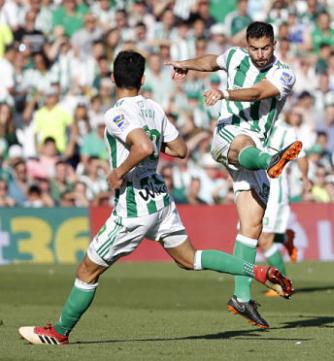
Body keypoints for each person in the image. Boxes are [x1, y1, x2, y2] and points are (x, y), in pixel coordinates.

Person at [18, 50, 293, 345]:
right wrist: (150, 148)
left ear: (113, 79)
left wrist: (119, 172)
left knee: (87, 270)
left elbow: (142, 146)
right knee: (190, 259)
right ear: (143, 79)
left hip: (134, 205)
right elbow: (179, 150)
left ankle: (59, 333)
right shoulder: (153, 109)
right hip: (162, 200)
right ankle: (258, 270)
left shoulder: (116, 113)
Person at [166, 21, 301, 329]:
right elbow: (211, 60)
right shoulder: (235, 57)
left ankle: (241, 298)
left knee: (251, 228)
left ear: (274, 44)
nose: (260, 53)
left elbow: (258, 92)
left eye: (265, 47)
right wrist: (186, 65)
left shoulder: (284, 73)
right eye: (254, 48)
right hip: (230, 138)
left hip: (253, 149)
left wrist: (224, 93)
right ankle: (271, 160)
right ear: (247, 45)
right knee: (245, 144)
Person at [258, 110, 312, 297]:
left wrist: (305, 178)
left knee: (264, 239)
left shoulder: (286, 131)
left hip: (275, 189)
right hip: (254, 186)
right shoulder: (253, 125)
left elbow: (301, 156)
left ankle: (282, 284)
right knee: (254, 236)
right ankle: (285, 238)